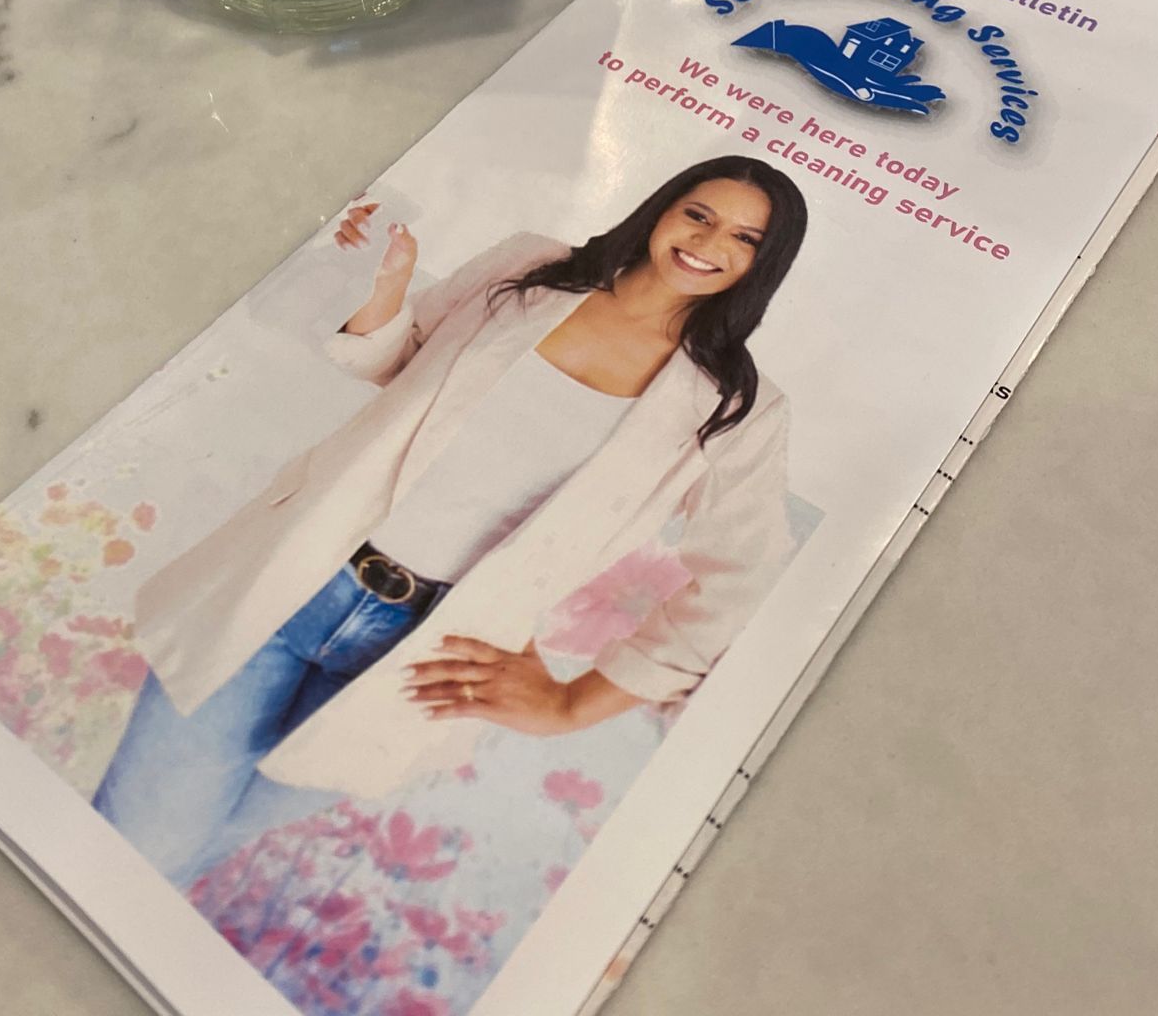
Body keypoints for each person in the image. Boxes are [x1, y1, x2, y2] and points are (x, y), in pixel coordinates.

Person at [93, 156, 808, 887]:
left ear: (765, 262)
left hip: (432, 656)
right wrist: (387, 285)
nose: (709, 243)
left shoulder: (737, 408)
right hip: (296, 574)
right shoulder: (532, 266)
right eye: (698, 215)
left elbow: (742, 574)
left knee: (185, 858)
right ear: (664, 208)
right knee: (143, 837)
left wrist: (572, 705)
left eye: (745, 238)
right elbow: (398, 363)